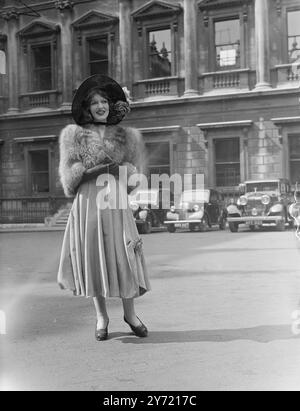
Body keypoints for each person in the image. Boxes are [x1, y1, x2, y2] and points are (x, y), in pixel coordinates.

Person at [57, 75, 151, 341]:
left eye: (104, 101)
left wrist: (123, 170)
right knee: (93, 257)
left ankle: (130, 314)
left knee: (124, 255)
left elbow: (135, 177)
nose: (100, 106)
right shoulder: (73, 135)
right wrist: (91, 170)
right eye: (94, 102)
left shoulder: (126, 136)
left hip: (116, 200)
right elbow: (68, 179)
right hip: (88, 201)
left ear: (111, 105)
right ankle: (101, 317)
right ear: (87, 107)